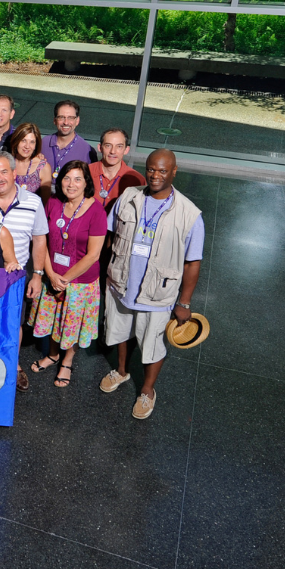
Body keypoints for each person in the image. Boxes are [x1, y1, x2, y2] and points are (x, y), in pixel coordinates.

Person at [100, 149, 204, 420]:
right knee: (120, 331)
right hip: (122, 283)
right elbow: (111, 236)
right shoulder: (129, 197)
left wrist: (184, 302)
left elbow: (193, 263)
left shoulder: (190, 214)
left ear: (174, 172)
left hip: (158, 293)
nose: (155, 176)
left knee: (152, 345)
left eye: (162, 171)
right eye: (151, 170)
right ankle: (122, 371)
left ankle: (147, 390)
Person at [28, 161, 107, 389]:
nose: (71, 184)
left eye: (77, 179)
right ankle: (53, 355)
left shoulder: (96, 211)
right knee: (53, 319)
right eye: (66, 178)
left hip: (80, 282)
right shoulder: (53, 202)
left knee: (73, 325)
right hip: (52, 273)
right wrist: (51, 274)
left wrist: (64, 279)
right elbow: (41, 238)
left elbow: (93, 255)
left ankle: (67, 361)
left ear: (86, 183)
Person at [0, 150, 49, 391]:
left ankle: (13, 364)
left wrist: (38, 275)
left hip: (16, 279)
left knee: (13, 323)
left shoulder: (33, 201)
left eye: (3, 172)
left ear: (14, 173)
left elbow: (39, 239)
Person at [88, 127, 145, 212]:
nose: (113, 151)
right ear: (100, 148)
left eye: (119, 146)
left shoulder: (137, 180)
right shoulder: (85, 172)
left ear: (126, 150)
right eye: (108, 145)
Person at [41, 100, 97, 186]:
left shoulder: (87, 150)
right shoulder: (42, 143)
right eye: (61, 117)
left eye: (71, 117)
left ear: (77, 121)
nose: (66, 122)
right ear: (55, 120)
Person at [8, 122, 51, 202]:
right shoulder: (6, 163)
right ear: (16, 141)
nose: (27, 146)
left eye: (32, 142)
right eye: (23, 140)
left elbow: (45, 203)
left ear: (36, 145)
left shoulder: (43, 167)